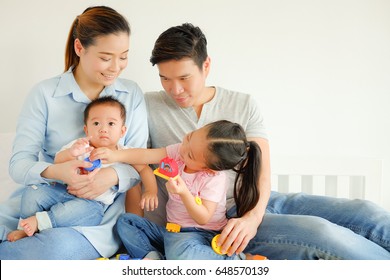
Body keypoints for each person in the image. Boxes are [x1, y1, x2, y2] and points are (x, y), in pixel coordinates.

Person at [124, 23, 390, 260]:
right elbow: (133, 160)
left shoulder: (242, 103)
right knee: (323, 234)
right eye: (164, 79)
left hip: (254, 200)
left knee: (366, 213)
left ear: (206, 66)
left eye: (184, 78)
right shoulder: (146, 106)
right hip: (218, 220)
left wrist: (253, 217)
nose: (175, 90)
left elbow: (261, 170)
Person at [0, 6, 148, 259]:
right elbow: (19, 164)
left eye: (123, 56)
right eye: (105, 57)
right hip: (43, 197)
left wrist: (110, 176)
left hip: (95, 213)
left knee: (57, 248)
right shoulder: (44, 94)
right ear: (80, 48)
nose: (116, 67)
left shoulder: (130, 94)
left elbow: (138, 159)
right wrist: (57, 171)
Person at [92, 120, 264, 259]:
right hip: (172, 231)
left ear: (209, 169)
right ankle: (154, 257)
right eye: (189, 137)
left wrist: (184, 193)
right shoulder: (178, 151)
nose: (183, 149)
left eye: (190, 155)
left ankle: (235, 260)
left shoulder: (214, 179)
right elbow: (146, 155)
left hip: (203, 234)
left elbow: (203, 217)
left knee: (182, 253)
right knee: (127, 222)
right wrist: (115, 155)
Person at [6, 96, 157, 242]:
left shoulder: (124, 153)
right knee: (33, 192)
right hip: (63, 192)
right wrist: (71, 153)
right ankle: (23, 227)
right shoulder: (81, 146)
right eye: (96, 123)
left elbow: (144, 169)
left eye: (111, 124)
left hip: (92, 204)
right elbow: (57, 161)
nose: (103, 129)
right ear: (86, 129)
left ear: (122, 131)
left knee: (88, 212)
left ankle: (40, 222)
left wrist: (151, 191)